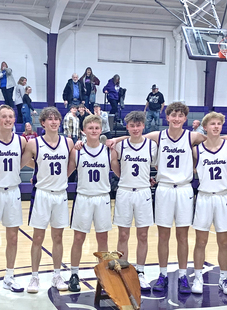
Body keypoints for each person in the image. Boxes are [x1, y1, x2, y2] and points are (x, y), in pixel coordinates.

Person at [108, 102, 227, 294]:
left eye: (180, 116)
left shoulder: (192, 136)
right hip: (164, 188)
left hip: (184, 189)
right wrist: (116, 139)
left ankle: (183, 275)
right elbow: (136, 136)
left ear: (185, 119)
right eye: (173, 115)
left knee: (182, 236)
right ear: (167, 117)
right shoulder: (158, 136)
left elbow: (220, 138)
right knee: (163, 236)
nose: (176, 119)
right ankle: (163, 274)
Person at [22, 107, 76, 294]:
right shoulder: (34, 144)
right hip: (42, 193)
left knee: (58, 237)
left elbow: (72, 164)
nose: (53, 122)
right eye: (49, 119)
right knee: (38, 237)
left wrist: (62, 178)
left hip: (60, 194)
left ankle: (57, 274)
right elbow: (27, 161)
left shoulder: (68, 142)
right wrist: (39, 170)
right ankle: (34, 277)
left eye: (56, 119)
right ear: (42, 123)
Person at [191, 112, 227, 295]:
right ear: (205, 127)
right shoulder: (197, 150)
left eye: (219, 123)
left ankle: (224, 279)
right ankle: (197, 278)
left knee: (224, 242)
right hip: (204, 196)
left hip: (223, 196)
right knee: (200, 241)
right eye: (212, 124)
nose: (216, 126)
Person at [0, 105, 27, 295]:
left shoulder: (22, 141)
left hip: (13, 192)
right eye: (4, 117)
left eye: (11, 116)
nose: (8, 120)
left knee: (13, 238)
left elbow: (27, 161)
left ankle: (9, 277)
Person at [111, 110, 154, 291]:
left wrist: (153, 179)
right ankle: (123, 270)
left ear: (143, 126)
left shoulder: (152, 145)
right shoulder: (120, 146)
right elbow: (114, 164)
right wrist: (124, 178)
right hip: (125, 191)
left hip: (143, 192)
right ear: (126, 127)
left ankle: (141, 272)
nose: (135, 128)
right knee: (123, 235)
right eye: (132, 125)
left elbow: (160, 165)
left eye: (138, 125)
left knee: (143, 235)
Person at [68, 115, 112, 292]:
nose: (94, 131)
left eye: (97, 128)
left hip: (102, 197)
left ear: (101, 130)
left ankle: (105, 275)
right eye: (90, 128)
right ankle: (74, 274)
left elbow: (118, 171)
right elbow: (65, 173)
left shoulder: (109, 150)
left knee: (103, 238)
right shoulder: (77, 151)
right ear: (83, 131)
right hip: (83, 197)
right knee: (79, 238)